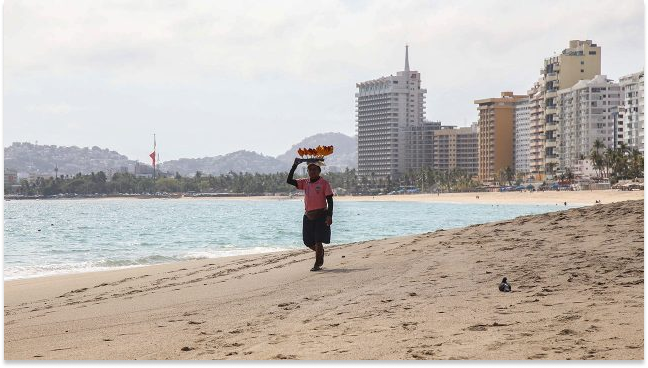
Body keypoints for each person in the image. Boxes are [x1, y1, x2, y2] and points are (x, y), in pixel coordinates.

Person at [287, 158, 334, 271]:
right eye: (310, 170)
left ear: (319, 171)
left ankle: (317, 264)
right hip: (308, 215)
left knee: (318, 240)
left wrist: (329, 215)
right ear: (307, 172)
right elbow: (289, 180)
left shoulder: (324, 183)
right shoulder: (305, 182)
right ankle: (320, 251)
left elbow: (330, 200)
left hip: (321, 214)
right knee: (307, 241)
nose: (312, 171)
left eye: (314, 169)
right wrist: (294, 165)